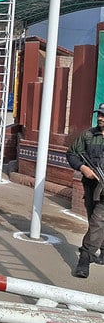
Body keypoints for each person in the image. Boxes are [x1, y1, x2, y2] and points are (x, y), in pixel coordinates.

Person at [66, 103, 104, 278]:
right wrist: (83, 168)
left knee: (98, 221)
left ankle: (84, 259)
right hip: (92, 186)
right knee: (93, 220)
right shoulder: (88, 136)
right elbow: (72, 153)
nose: (101, 118)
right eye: (99, 115)